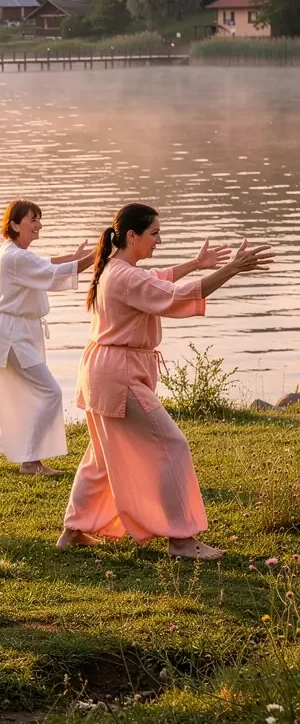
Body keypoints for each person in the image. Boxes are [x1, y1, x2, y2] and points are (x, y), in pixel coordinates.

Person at [58, 203, 272, 560]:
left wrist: (195, 264)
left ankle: (74, 530)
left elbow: (157, 278)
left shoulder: (117, 269)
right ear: (132, 235)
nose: (159, 240)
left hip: (103, 371)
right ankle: (181, 540)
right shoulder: (126, 276)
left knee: (100, 455)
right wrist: (232, 269)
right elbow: (174, 296)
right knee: (170, 445)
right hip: (118, 375)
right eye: (154, 233)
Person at [0, 199, 93, 476]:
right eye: (32, 220)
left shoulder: (14, 252)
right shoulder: (16, 256)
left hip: (8, 330)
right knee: (49, 392)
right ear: (15, 225)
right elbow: (52, 274)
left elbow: (45, 264)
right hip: (10, 334)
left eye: (39, 219)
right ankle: (31, 462)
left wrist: (72, 257)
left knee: (1, 395)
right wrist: (101, 254)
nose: (39, 225)